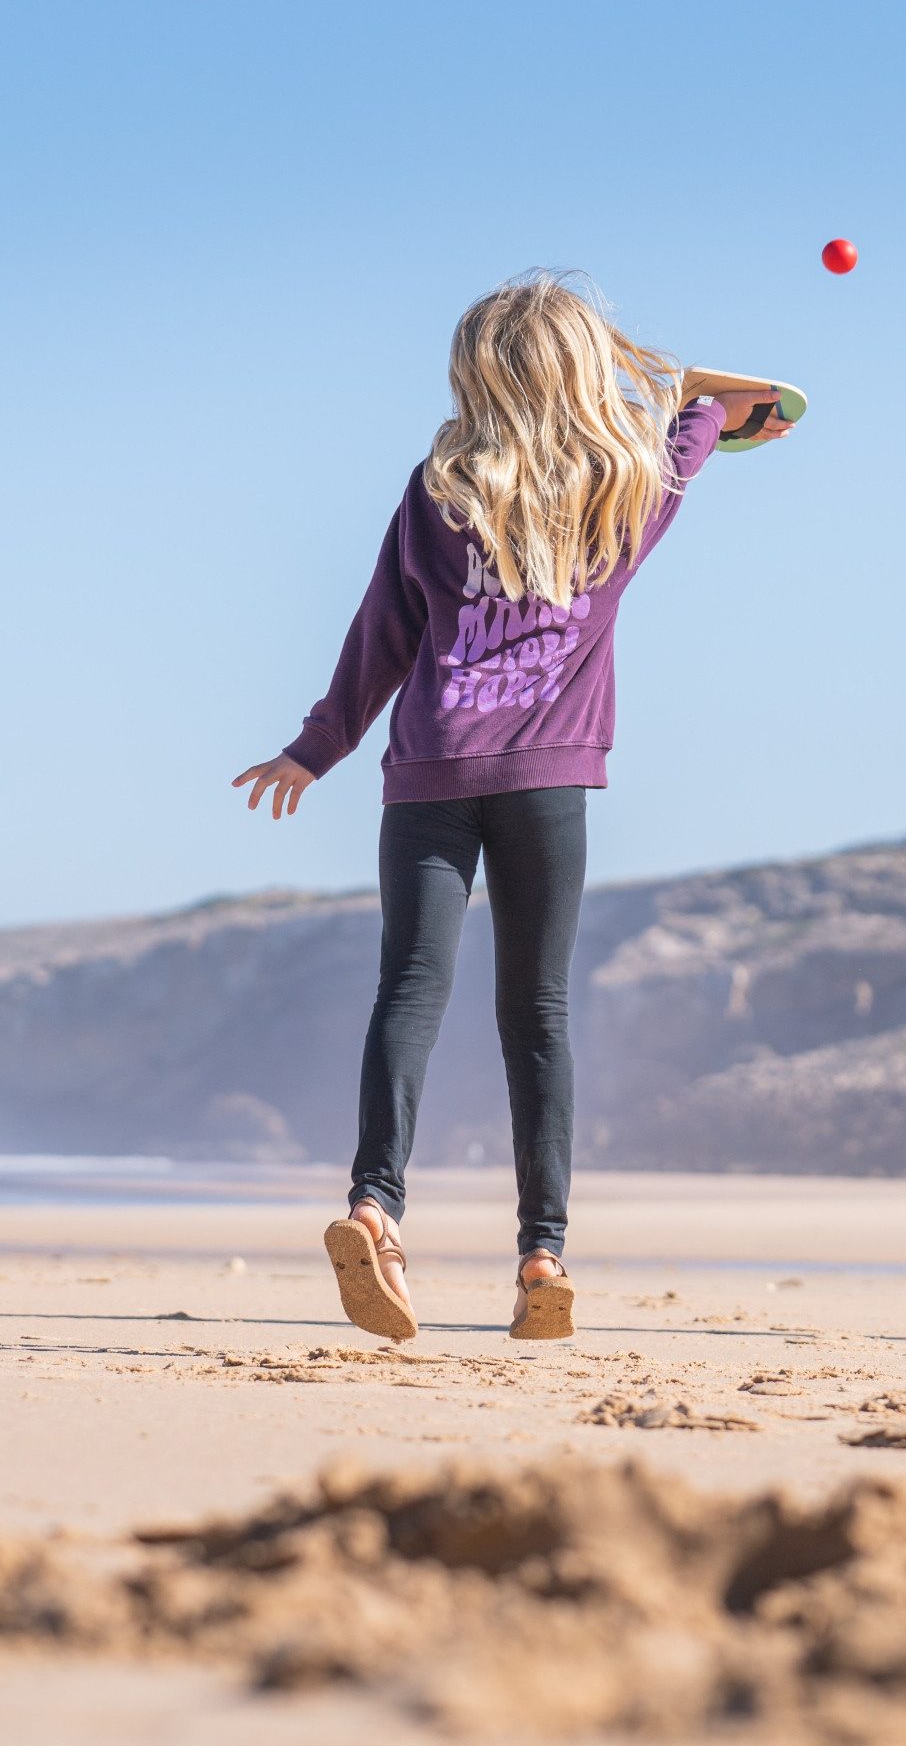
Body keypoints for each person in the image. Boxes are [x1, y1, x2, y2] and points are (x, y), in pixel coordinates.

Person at [233, 272, 790, 1343]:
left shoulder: (439, 487)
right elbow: (736, 409)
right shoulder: (628, 488)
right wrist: (686, 392)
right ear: (584, 375)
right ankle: (543, 1256)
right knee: (535, 1015)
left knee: (409, 990)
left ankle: (372, 1209)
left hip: (430, 775)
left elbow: (381, 631)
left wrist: (317, 748)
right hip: (547, 780)